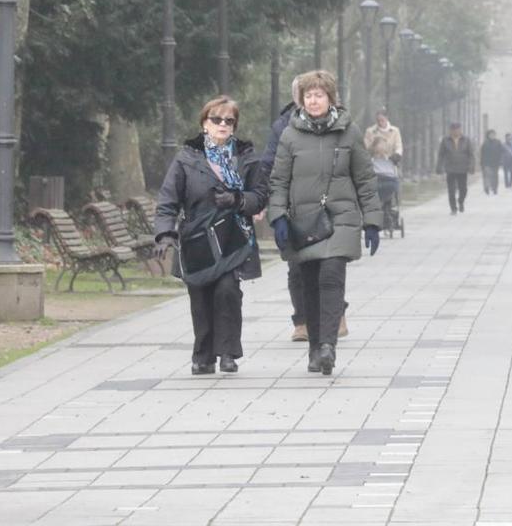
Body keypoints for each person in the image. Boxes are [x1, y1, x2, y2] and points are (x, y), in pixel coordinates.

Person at [268, 70, 382, 376]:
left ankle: (329, 345)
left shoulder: (349, 132)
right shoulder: (290, 135)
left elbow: (365, 180)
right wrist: (277, 216)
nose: (313, 100)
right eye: (308, 96)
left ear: (330, 98)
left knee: (331, 276)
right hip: (304, 221)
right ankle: (315, 348)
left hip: (341, 217)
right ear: (301, 100)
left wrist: (372, 220)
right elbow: (278, 180)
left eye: (319, 95)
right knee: (309, 283)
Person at [155, 96, 266, 375]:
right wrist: (165, 234)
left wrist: (238, 200)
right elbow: (168, 200)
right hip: (196, 239)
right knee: (201, 297)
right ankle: (203, 355)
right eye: (216, 119)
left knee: (228, 291)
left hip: (233, 237)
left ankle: (228, 352)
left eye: (229, 121)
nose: (223, 125)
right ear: (205, 123)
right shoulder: (186, 158)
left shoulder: (246, 157)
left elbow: (260, 196)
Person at [436, 122, 475, 214]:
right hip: (450, 168)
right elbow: (441, 155)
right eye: (453, 129)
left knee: (463, 189)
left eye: (457, 129)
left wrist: (471, 166)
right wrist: (439, 167)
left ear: (460, 129)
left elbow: (471, 155)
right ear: (450, 130)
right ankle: (453, 208)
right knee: (451, 190)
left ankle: (461, 201)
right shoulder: (445, 140)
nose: (455, 131)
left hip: (462, 168)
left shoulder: (466, 140)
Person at [369, 134, 400, 248]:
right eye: (379, 148)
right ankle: (382, 218)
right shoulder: (372, 160)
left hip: (387, 181)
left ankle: (387, 217)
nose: (381, 151)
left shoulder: (391, 159)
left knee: (386, 197)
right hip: (378, 181)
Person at [480, 129, 505, 195]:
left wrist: (501, 161)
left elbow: (502, 151)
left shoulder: (498, 142)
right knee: (487, 176)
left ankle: (495, 188)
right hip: (487, 163)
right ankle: (486, 188)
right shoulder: (485, 143)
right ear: (488, 135)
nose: (492, 136)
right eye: (491, 134)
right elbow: (482, 153)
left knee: (495, 176)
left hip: (495, 163)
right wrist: (482, 163)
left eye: (493, 134)